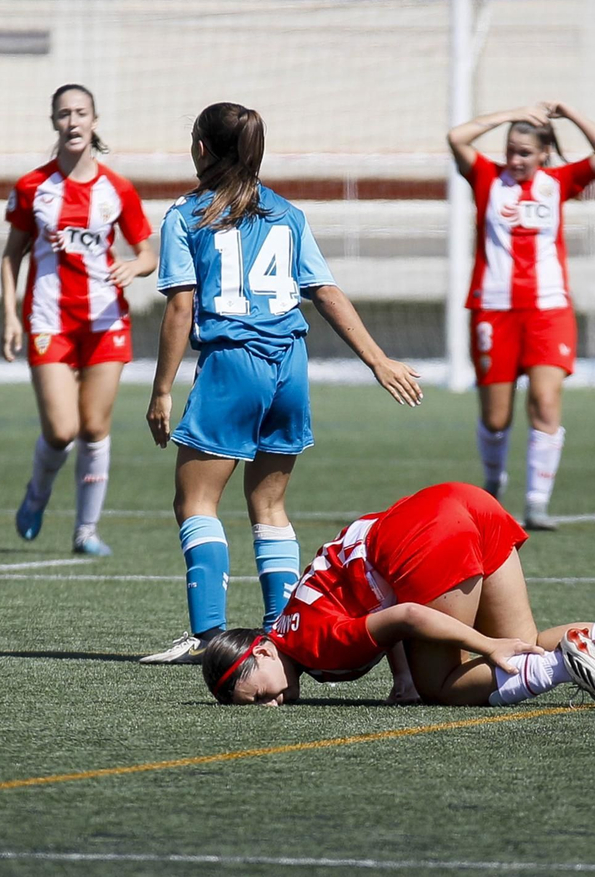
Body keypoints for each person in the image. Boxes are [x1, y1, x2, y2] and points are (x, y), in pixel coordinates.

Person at [141, 102, 424, 665]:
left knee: (196, 501)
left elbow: (180, 308)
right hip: (289, 365)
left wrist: (161, 390)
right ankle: (279, 632)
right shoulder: (288, 214)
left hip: (232, 364)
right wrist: (378, 360)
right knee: (269, 505)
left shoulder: (186, 215)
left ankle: (209, 637)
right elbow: (325, 292)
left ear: (201, 149)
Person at [201, 481, 595, 709]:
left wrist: (482, 647)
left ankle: (566, 667)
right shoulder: (292, 619)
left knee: (446, 685)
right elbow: (381, 607)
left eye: (261, 693)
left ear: (263, 649)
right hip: (460, 501)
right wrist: (402, 676)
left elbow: (403, 614)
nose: (275, 702)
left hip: (423, 539)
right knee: (524, 641)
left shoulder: (316, 649)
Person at [446, 101, 595, 530]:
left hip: (549, 309)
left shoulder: (557, 182)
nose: (515, 159)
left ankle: (537, 503)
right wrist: (509, 114)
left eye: (525, 152)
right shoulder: (487, 178)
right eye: (511, 150)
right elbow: (456, 137)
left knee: (545, 400)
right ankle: (493, 486)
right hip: (493, 308)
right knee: (496, 417)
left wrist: (571, 112)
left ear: (544, 154)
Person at [0, 84, 157, 557]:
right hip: (49, 320)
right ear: (54, 122)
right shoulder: (32, 187)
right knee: (61, 430)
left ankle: (86, 531)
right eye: (64, 114)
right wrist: (10, 315)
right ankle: (36, 496)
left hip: (105, 321)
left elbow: (147, 251)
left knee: (93, 427)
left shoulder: (117, 189)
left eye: (81, 113)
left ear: (94, 121)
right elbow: (11, 257)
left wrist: (134, 266)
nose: (73, 121)